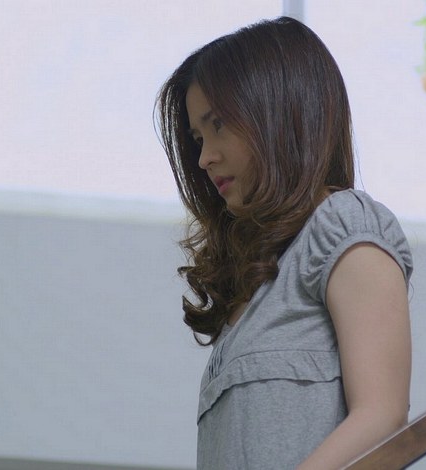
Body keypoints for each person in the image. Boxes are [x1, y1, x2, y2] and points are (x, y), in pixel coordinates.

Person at [155, 17, 413, 469]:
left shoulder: (342, 223)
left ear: (278, 113)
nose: (204, 158)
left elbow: (382, 416)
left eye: (219, 125)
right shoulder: (259, 283)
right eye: (198, 138)